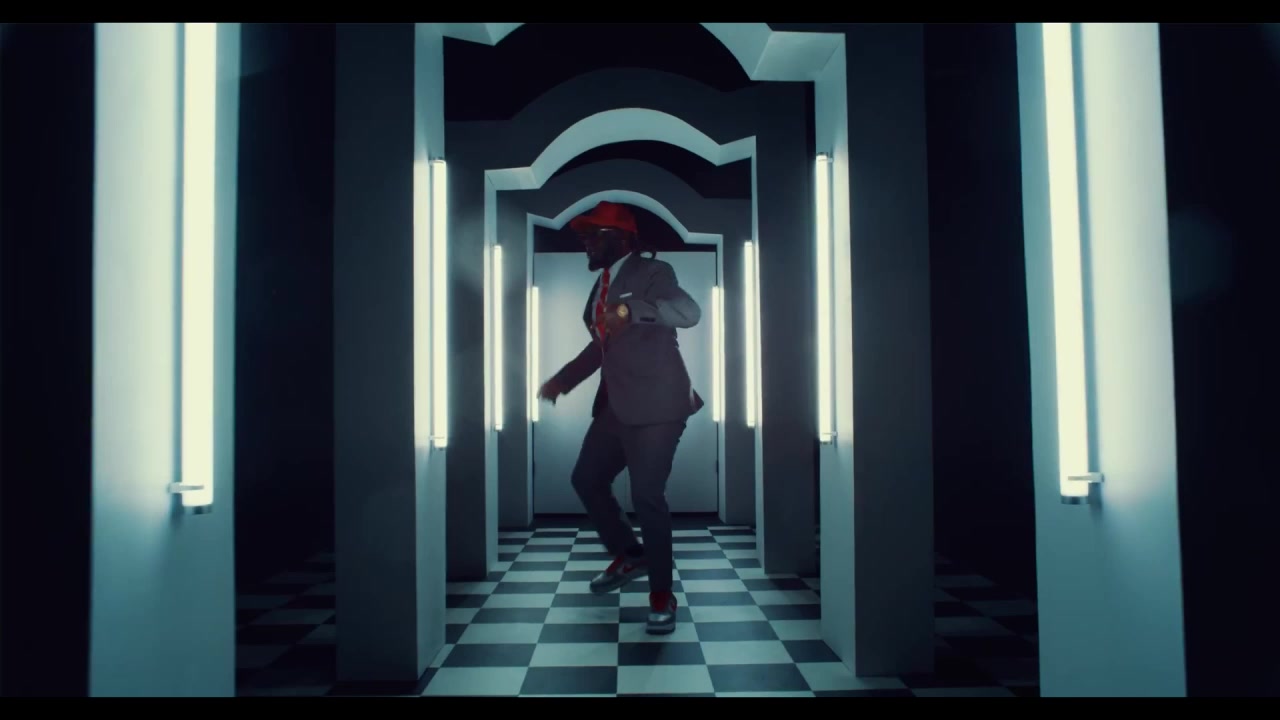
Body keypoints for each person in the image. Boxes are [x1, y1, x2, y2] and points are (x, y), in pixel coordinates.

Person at [537, 201, 703, 635]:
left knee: (647, 497)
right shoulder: (602, 285)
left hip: (660, 405)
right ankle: (632, 555)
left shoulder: (653, 272)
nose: (585, 243)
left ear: (621, 238)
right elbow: (603, 346)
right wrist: (563, 380)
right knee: (586, 479)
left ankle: (662, 596)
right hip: (617, 406)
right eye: (584, 236)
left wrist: (632, 310)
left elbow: (688, 313)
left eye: (593, 235)